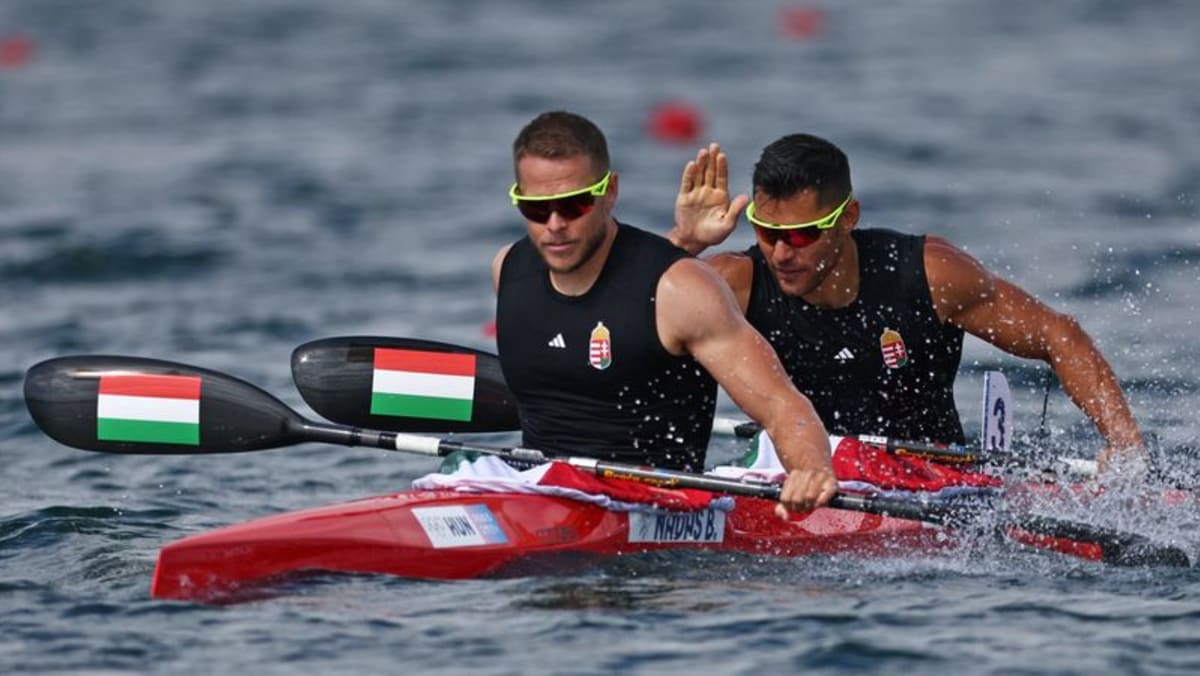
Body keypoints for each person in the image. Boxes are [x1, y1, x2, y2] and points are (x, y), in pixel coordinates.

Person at [669, 134, 1146, 473]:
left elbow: (1059, 335)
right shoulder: (736, 283)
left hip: (930, 479)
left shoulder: (928, 274)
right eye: (766, 232)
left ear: (848, 218)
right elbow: (640, 314)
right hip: (789, 475)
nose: (780, 254)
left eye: (801, 235)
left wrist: (1125, 447)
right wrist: (686, 243)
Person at [493, 111, 837, 513]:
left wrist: (810, 471)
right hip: (534, 491)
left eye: (573, 205)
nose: (555, 224)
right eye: (536, 209)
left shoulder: (682, 289)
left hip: (648, 504)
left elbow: (782, 405)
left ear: (610, 191)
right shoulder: (508, 270)